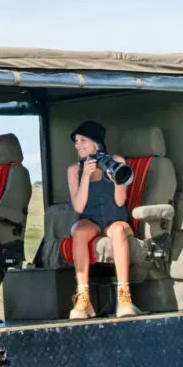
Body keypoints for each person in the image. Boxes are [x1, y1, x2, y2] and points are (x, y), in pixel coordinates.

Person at [66, 121, 137, 319]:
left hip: (116, 219)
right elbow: (79, 207)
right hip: (91, 220)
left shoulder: (116, 161)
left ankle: (124, 297)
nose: (77, 145)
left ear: (96, 143)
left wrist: (116, 182)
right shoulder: (74, 170)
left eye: (82, 140)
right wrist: (86, 177)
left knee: (117, 232)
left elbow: (120, 201)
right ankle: (83, 298)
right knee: (79, 231)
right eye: (76, 141)